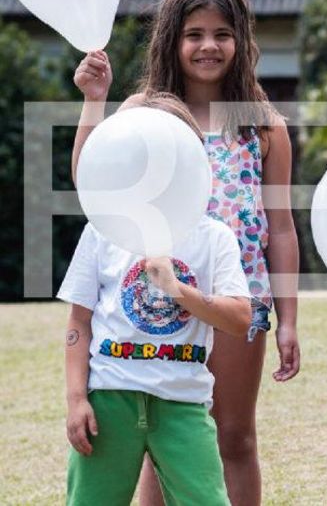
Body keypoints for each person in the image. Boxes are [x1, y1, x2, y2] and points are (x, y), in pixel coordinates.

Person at [71, 0, 300, 506]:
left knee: (234, 436)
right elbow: (90, 182)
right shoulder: (142, 110)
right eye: (194, 34)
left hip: (237, 298)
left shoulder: (262, 124)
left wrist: (288, 318)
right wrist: (94, 102)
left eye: (222, 34)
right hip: (155, 297)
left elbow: (281, 226)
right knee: (161, 434)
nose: (208, 46)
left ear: (241, 40)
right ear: (172, 40)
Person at [61, 94, 253, 506]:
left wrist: (178, 289)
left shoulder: (214, 237)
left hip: (183, 401)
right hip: (109, 399)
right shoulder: (101, 231)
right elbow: (79, 322)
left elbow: (240, 318)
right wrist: (77, 399)